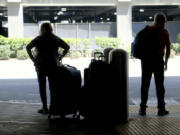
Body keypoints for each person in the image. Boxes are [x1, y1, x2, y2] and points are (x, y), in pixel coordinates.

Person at [26, 22, 70, 114]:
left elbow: (28, 47)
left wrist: (33, 60)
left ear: (42, 29)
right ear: (51, 29)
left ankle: (45, 108)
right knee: (52, 87)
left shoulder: (39, 39)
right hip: (53, 65)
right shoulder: (55, 39)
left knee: (42, 87)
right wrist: (60, 57)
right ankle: (52, 108)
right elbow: (67, 47)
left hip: (41, 65)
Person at [138, 13, 171, 116]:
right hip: (158, 61)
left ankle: (142, 109)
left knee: (145, 85)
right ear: (163, 21)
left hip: (146, 61)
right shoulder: (164, 32)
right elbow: (168, 48)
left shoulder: (147, 30)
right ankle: (161, 109)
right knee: (160, 86)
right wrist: (166, 62)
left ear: (155, 20)